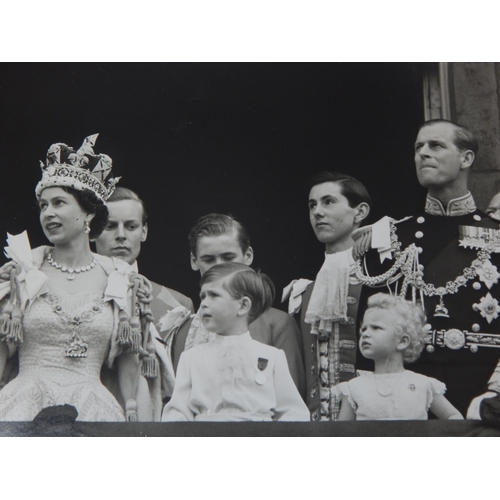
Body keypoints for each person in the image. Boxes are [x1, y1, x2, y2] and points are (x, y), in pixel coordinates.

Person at [0, 135, 159, 421]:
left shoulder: (119, 278)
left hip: (93, 408)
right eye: (43, 206)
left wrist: (132, 415)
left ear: (88, 213)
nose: (48, 213)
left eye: (59, 203)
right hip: (23, 406)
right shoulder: (24, 271)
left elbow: (128, 361)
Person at [353, 119, 500, 418]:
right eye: (419, 147)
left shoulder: (496, 235)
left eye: (436, 146)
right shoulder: (390, 238)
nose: (423, 154)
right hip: (408, 387)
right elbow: (372, 322)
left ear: (466, 158)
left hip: (482, 387)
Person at [168, 213, 305, 398]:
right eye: (208, 259)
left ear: (248, 256)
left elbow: (290, 405)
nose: (219, 267)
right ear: (194, 261)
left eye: (228, 257)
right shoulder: (183, 329)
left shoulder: (278, 324)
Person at [162, 263, 310, 421]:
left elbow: (294, 413)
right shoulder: (191, 358)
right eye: (203, 296)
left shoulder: (272, 357)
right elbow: (177, 412)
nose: (204, 303)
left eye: (214, 295)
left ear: (243, 305)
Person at [282, 171, 371, 421]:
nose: (317, 212)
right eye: (313, 205)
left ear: (360, 212)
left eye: (328, 202)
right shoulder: (304, 290)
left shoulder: (378, 280)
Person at [338, 293, 463, 421]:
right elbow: (341, 433)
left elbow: (454, 417)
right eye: (364, 329)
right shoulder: (354, 387)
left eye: (376, 328)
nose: (365, 334)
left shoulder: (423, 384)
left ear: (402, 341)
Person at [93, 187, 194, 330]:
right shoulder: (73, 293)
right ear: (92, 231)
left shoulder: (178, 305)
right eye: (110, 226)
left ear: (144, 232)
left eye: (131, 226)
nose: (121, 235)